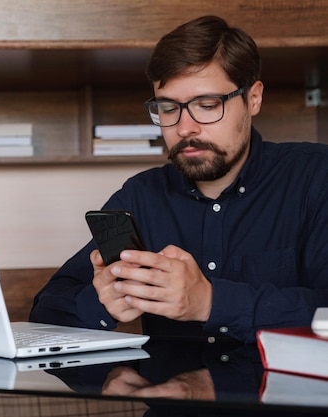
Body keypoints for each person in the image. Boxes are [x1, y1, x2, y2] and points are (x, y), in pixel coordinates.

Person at [29, 15, 328, 344]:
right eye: (169, 108)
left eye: (207, 104)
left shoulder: (315, 178)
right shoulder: (141, 196)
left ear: (252, 99)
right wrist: (101, 302)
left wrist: (211, 303)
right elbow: (45, 312)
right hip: (166, 393)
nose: (185, 128)